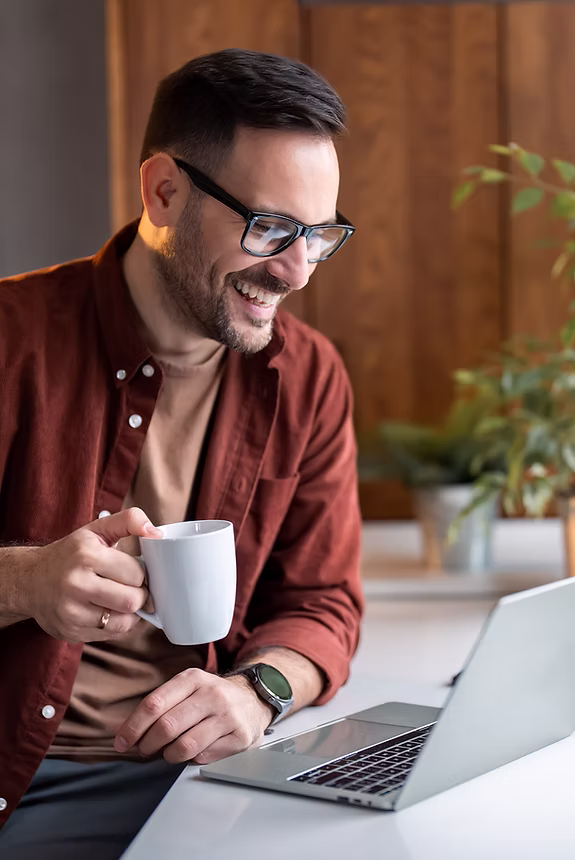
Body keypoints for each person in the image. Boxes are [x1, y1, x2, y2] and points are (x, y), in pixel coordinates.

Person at [0, 49, 363, 858]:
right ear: (164, 191)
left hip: (210, 781)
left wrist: (259, 692)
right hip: (24, 782)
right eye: (270, 228)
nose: (296, 271)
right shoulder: (10, 341)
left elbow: (324, 601)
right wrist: (22, 581)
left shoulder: (309, 379)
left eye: (319, 235)